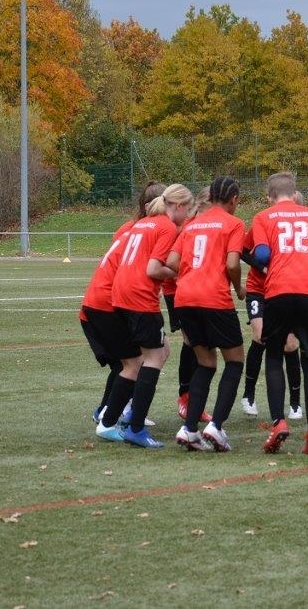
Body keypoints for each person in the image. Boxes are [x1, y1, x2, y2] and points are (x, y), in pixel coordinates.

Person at [96, 183, 194, 448]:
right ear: (178, 205)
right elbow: (152, 269)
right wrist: (180, 271)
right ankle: (135, 426)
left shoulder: (142, 223)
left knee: (146, 357)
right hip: (139, 297)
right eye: (187, 209)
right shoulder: (166, 226)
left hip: (121, 294)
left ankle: (109, 420)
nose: (187, 216)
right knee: (154, 358)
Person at [250, 171, 308, 454]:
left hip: (279, 291)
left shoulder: (263, 217)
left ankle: (279, 423)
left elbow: (261, 256)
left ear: (269, 197)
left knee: (274, 356)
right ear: (295, 194)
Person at [167, 176, 246, 451]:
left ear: (210, 197)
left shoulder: (192, 224)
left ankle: (190, 430)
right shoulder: (234, 223)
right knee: (234, 361)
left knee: (205, 363)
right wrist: (238, 287)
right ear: (233, 199)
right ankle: (216, 426)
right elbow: (233, 263)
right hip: (214, 297)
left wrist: (193, 275)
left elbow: (172, 261)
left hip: (184, 298)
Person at [83, 180, 164, 427]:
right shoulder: (149, 230)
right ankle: (112, 413)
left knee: (133, 360)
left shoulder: (131, 227)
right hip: (110, 302)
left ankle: (116, 410)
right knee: (135, 362)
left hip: (105, 300)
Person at [241, 224, 303, 420]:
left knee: (290, 344)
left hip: (286, 290)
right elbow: (243, 251)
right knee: (260, 337)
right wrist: (263, 267)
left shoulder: (298, 227)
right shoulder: (262, 223)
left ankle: (295, 403)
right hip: (258, 290)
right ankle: (248, 395)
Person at [165, 186, 212, 424]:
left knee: (199, 343)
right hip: (179, 291)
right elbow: (172, 261)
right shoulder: (186, 227)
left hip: (197, 291)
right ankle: (186, 398)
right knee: (191, 342)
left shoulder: (204, 225)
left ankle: (192, 400)